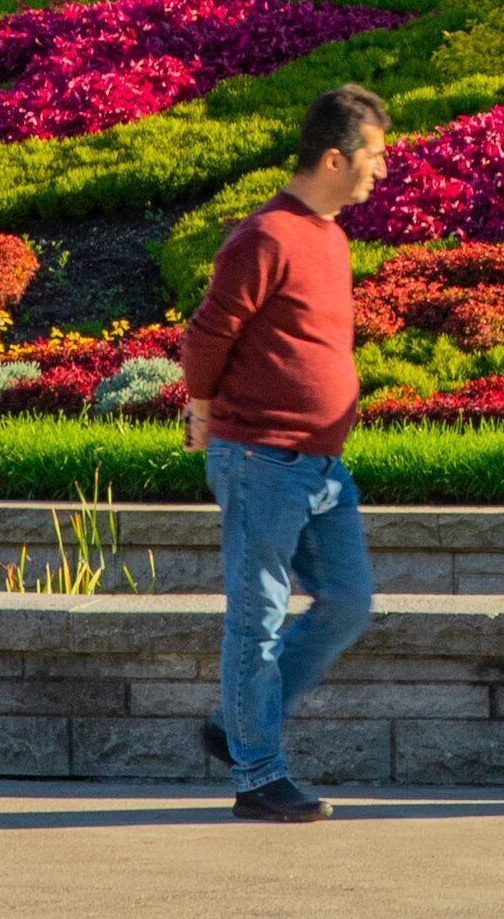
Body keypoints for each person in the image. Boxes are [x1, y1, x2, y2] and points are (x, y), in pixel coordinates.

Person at [183, 83, 387, 824]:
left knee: (349, 603)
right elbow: (208, 334)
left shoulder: (329, 236)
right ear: (334, 157)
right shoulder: (264, 236)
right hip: (261, 457)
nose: (381, 171)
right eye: (374, 156)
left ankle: (239, 727)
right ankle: (257, 773)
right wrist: (202, 409)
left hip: (321, 467)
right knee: (257, 619)